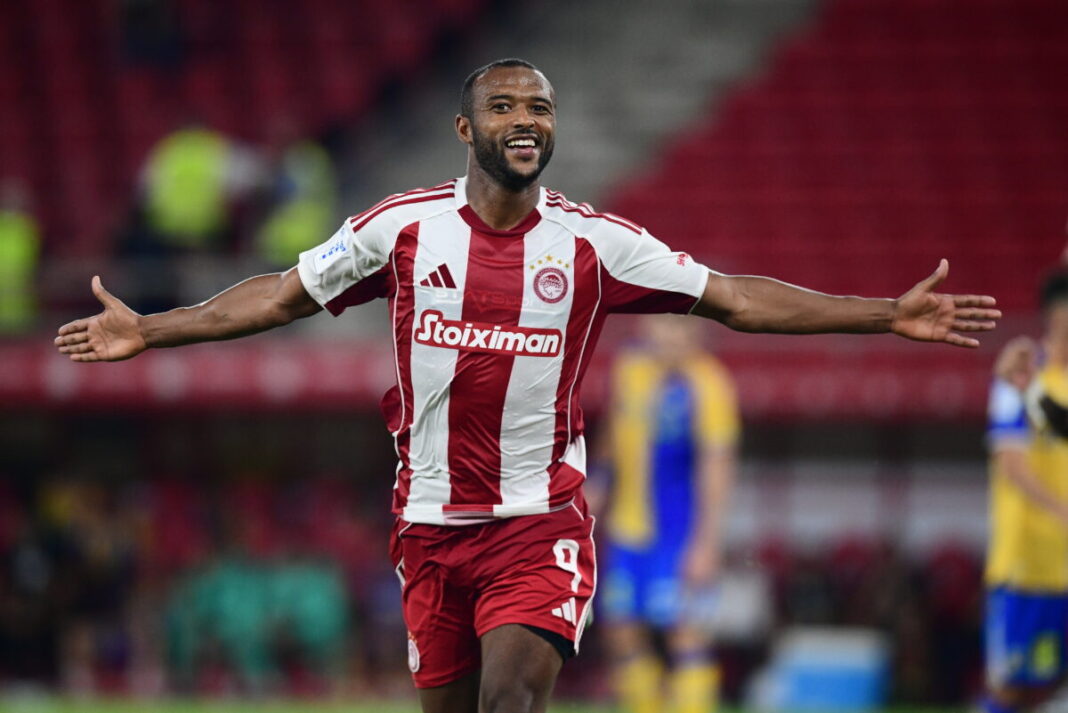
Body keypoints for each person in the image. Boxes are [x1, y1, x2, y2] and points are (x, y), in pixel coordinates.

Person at [54, 58, 1000, 713]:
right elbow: (278, 294)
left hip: (536, 523)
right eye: (505, 106)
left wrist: (885, 312)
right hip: (428, 528)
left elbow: (735, 298)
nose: (526, 121)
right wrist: (152, 327)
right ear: (466, 128)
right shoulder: (400, 228)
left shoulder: (595, 243)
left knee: (509, 699)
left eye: (540, 108)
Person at [597, 314, 738, 713]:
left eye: (679, 327)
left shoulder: (710, 383)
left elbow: (717, 464)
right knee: (620, 628)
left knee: (685, 632)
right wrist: (599, 482)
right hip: (628, 527)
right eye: (661, 324)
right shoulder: (631, 368)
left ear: (697, 333)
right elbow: (613, 428)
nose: (668, 335)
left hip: (679, 530)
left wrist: (706, 543)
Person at [983, 271, 1068, 713]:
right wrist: (1028, 386)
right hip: (1027, 562)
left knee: (1048, 688)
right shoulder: (1024, 369)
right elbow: (1012, 461)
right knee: (1013, 688)